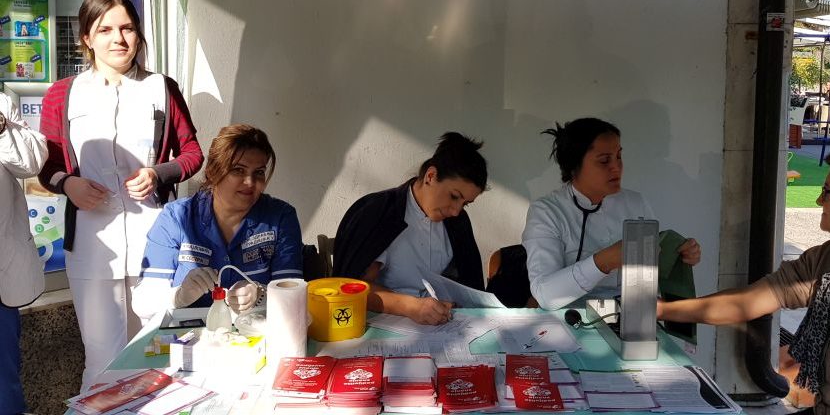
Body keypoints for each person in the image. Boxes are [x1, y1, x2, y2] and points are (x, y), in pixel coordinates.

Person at [38, 0, 204, 389]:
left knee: (158, 353)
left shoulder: (161, 88)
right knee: (103, 361)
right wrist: (68, 183)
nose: (119, 38)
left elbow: (193, 153)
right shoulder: (63, 93)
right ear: (86, 37)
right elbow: (46, 166)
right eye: (105, 29)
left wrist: (159, 173)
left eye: (127, 28)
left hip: (155, 243)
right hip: (93, 246)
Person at [657, 175, 830, 415]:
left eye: (827, 192)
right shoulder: (822, 259)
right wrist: (663, 310)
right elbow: (746, 302)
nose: (819, 200)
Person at [522, 117, 701, 310]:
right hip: (571, 319)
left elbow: (651, 270)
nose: (616, 167)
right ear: (574, 165)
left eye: (619, 157)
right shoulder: (547, 212)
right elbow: (545, 295)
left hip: (630, 315)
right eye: (604, 160)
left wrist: (679, 255)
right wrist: (602, 262)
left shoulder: (636, 203)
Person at [132, 124, 303, 319]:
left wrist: (261, 295)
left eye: (259, 172)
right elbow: (142, 304)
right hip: (188, 336)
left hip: (253, 333)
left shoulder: (280, 217)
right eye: (238, 170)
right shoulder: (176, 218)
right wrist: (179, 296)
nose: (250, 182)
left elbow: (294, 296)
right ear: (213, 172)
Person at [333, 132, 487, 325]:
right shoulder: (378, 213)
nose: (456, 211)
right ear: (431, 176)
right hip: (379, 326)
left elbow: (470, 286)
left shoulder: (457, 223)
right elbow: (352, 288)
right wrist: (410, 306)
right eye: (454, 196)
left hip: (442, 328)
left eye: (465, 203)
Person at [0, 92, 47, 415]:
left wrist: (2, 127)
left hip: (1, 275)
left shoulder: (2, 105)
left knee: (4, 380)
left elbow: (31, 163)